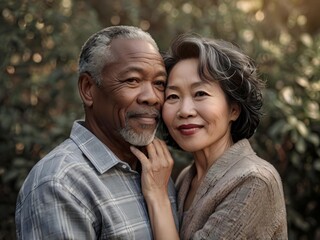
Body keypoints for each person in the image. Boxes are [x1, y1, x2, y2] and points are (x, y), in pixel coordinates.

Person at [15, 25, 179, 239]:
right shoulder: (61, 183)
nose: (153, 97)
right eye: (132, 80)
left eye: (159, 83)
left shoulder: (157, 170)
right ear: (88, 89)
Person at [130, 33, 288, 239]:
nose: (185, 111)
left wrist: (158, 196)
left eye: (200, 94)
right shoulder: (187, 177)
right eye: (173, 96)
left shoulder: (255, 181)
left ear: (234, 109)